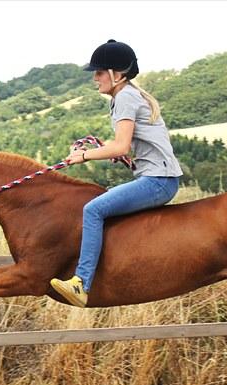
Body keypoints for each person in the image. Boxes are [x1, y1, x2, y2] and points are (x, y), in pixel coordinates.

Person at [50, 39, 183, 307]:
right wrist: (114, 151)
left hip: (158, 181)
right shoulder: (127, 96)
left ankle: (81, 283)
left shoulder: (125, 98)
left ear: (116, 74)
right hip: (158, 177)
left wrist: (83, 156)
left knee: (93, 210)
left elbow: (120, 145)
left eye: (99, 73)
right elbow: (121, 146)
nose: (95, 79)